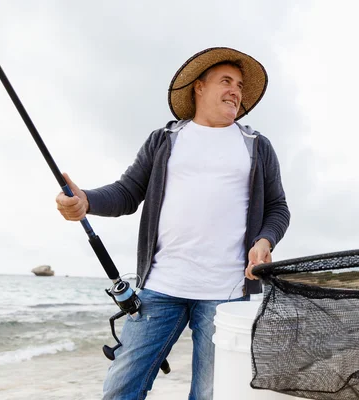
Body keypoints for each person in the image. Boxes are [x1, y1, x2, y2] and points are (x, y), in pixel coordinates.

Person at [55, 47, 290, 400]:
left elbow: (278, 208)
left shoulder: (257, 146)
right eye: (226, 81)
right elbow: (126, 192)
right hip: (160, 287)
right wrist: (86, 201)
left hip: (226, 295)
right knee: (121, 386)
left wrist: (265, 241)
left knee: (212, 394)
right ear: (199, 87)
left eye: (240, 85)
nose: (236, 91)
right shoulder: (164, 140)